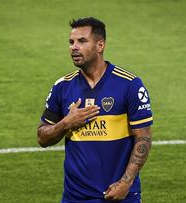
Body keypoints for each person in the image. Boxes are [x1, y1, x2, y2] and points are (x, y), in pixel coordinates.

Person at [37, 17, 153, 203]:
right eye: (71, 42)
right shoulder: (62, 87)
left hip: (120, 195)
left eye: (82, 41)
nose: (74, 47)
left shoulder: (129, 85)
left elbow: (144, 138)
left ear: (100, 45)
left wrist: (126, 183)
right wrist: (66, 123)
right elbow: (42, 138)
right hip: (75, 197)